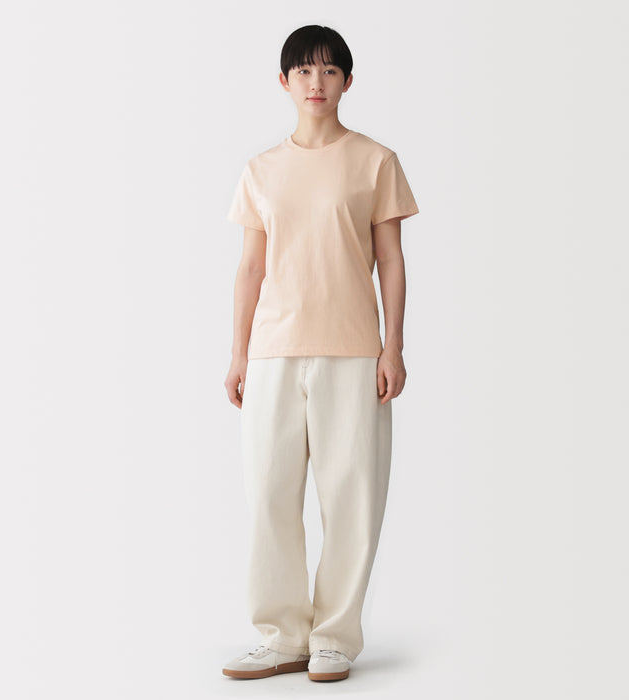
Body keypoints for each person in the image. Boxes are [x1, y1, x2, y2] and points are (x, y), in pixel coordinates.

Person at [221, 25, 419, 682]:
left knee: (351, 498)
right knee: (269, 496)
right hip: (274, 353)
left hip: (354, 352)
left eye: (330, 71)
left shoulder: (375, 161)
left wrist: (393, 346)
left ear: (347, 82)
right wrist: (238, 353)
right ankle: (281, 636)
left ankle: (333, 637)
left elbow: (391, 260)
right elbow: (251, 269)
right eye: (304, 71)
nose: (317, 83)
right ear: (284, 82)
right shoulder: (261, 170)